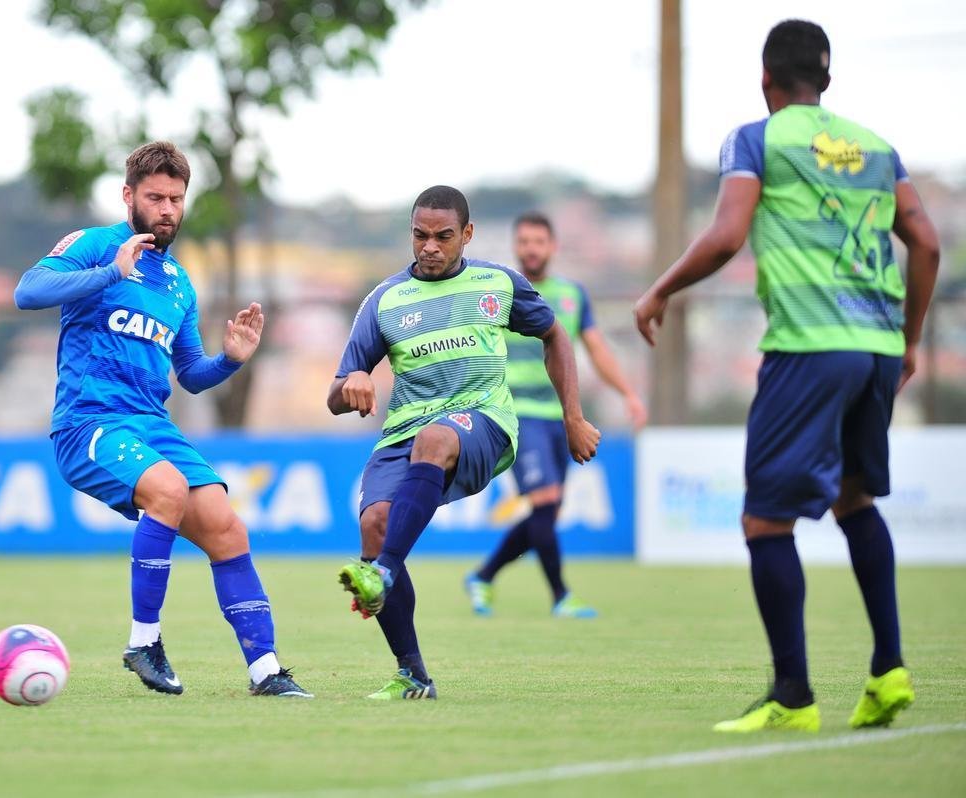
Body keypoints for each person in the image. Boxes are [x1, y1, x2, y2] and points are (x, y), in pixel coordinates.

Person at [633, 20, 939, 732]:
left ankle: (793, 697)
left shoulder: (755, 139)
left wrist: (660, 290)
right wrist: (911, 338)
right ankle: (888, 670)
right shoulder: (877, 147)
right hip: (876, 347)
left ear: (766, 79)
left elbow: (727, 235)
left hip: (808, 345)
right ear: (826, 82)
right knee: (855, 500)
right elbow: (925, 241)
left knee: (765, 520)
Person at [14, 141, 312, 699]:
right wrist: (107, 273)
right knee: (169, 492)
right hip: (89, 422)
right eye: (156, 197)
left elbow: (191, 375)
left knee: (226, 526)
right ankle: (143, 642)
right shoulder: (95, 246)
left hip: (152, 425)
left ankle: (266, 670)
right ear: (129, 196)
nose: (168, 209)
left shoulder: (178, 282)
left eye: (177, 198)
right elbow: (27, 291)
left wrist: (231, 359)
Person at [328, 185, 601, 700]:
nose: (429, 246)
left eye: (443, 236)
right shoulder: (386, 300)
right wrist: (351, 385)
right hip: (403, 430)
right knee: (374, 524)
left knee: (434, 441)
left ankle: (383, 573)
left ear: (466, 235)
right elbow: (335, 396)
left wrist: (574, 417)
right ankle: (413, 674)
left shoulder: (497, 283)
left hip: (484, 422)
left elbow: (556, 336)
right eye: (420, 235)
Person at [466, 212, 647, 618]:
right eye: (524, 241)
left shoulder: (572, 294)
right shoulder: (497, 290)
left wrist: (628, 393)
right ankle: (561, 596)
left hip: (562, 417)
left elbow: (597, 348)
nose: (531, 248)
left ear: (552, 247)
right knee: (545, 500)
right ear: (516, 247)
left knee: (545, 513)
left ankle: (484, 575)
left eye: (538, 241)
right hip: (514, 413)